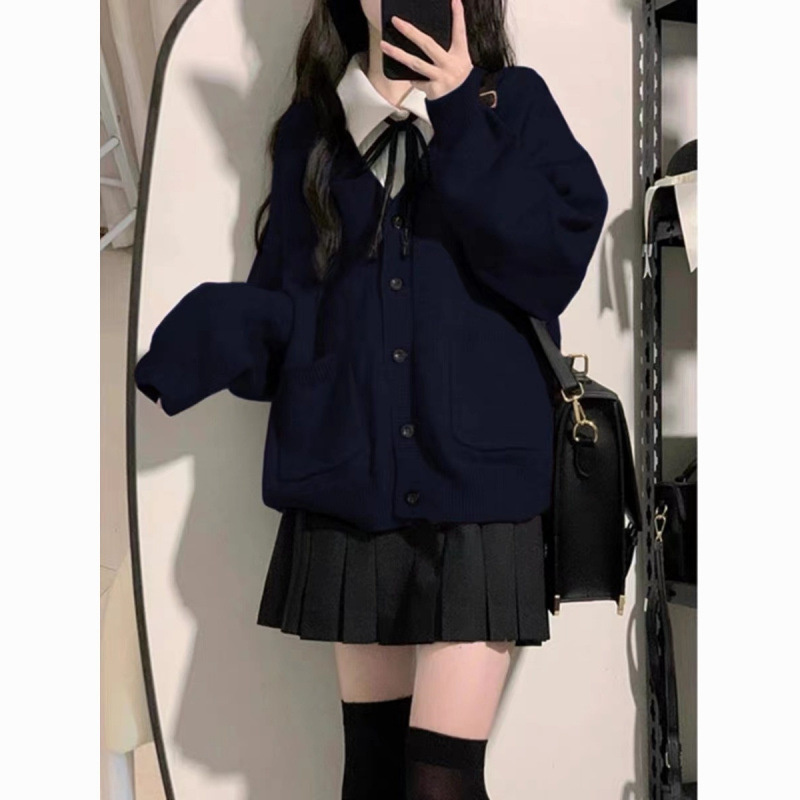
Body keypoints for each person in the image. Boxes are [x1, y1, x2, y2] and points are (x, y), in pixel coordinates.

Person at [134, 0, 608, 796]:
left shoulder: (511, 103)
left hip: (481, 498)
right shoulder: (312, 133)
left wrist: (457, 108)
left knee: (439, 783)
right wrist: (218, 332)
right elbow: (298, 307)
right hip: (352, 494)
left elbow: (552, 260)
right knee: (372, 775)